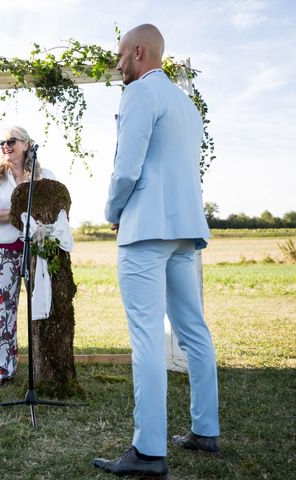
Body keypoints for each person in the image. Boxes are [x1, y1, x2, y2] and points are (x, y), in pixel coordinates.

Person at [92, 25, 220, 477]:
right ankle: (206, 429)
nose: (118, 62)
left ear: (139, 52)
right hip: (185, 229)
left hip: (146, 229)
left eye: (121, 54)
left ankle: (148, 451)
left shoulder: (142, 94)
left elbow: (127, 167)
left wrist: (114, 210)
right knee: (194, 330)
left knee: (146, 337)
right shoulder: (186, 104)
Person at [0, 126, 55, 387]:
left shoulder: (45, 176)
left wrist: (16, 209)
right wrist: (20, 209)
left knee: (43, 306)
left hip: (37, 247)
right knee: (4, 309)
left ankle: (46, 368)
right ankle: (1, 368)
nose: (5, 145)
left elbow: (53, 208)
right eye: (1, 142)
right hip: (4, 249)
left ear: (26, 144)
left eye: (11, 141)